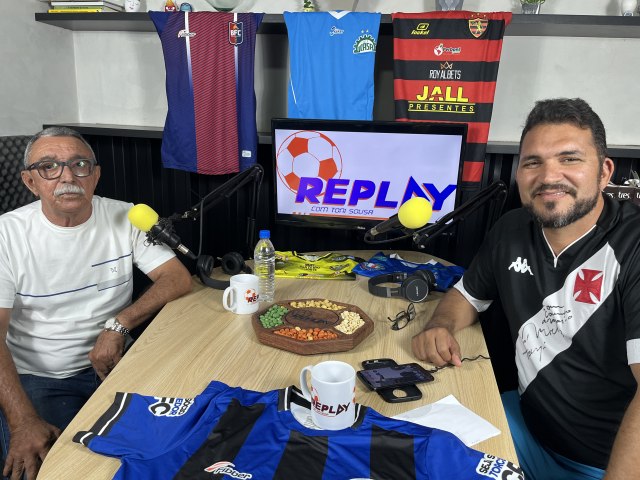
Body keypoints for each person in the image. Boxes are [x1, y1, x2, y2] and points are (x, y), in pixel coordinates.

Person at [412, 98, 640, 480]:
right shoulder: (512, 229)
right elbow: (467, 296)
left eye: (569, 159)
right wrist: (440, 325)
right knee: (402, 447)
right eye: (533, 162)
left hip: (603, 464)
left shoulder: (633, 245)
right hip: (523, 424)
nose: (549, 176)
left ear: (604, 172)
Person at [0, 127, 193, 480]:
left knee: (175, 450)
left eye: (80, 164)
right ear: (30, 182)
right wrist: (23, 421)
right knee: (50, 468)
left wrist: (120, 324)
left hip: (119, 364)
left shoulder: (125, 216)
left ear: (96, 174)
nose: (67, 177)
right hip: (42, 379)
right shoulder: (6, 236)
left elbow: (177, 278)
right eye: (49, 167)